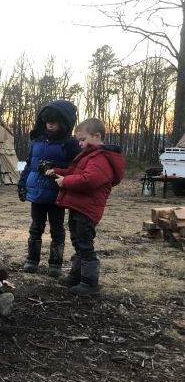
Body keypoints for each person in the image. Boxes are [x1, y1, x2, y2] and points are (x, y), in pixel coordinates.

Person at [46, 118, 125, 296]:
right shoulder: (90, 156)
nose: (80, 144)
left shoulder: (101, 158)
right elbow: (77, 174)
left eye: (82, 140)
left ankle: (90, 283)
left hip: (87, 210)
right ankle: (76, 276)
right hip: (79, 207)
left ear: (97, 136)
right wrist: (58, 172)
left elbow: (89, 180)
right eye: (78, 140)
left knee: (85, 245)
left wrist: (65, 181)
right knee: (78, 243)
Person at [18, 100, 81, 277]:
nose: (50, 124)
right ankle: (32, 260)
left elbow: (76, 168)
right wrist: (22, 184)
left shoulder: (69, 144)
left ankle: (55, 264)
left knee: (57, 228)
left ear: (63, 122)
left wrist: (60, 173)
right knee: (36, 227)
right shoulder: (37, 141)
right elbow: (30, 164)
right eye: (48, 121)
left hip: (57, 195)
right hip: (37, 193)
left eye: (54, 121)